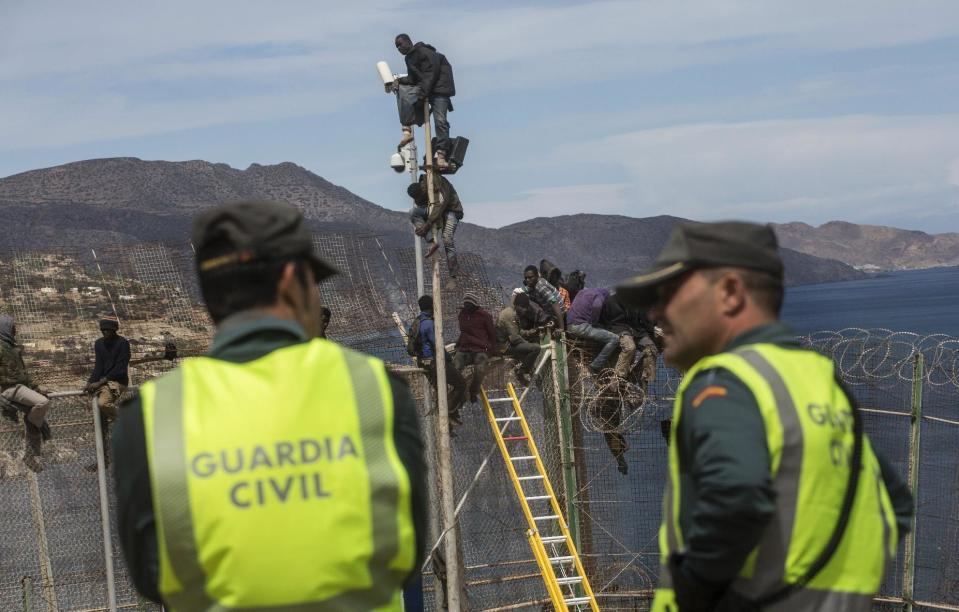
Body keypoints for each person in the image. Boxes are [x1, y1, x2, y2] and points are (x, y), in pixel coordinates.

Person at [112, 201, 426, 610]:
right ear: (292, 281)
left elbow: (150, 577)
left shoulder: (150, 418)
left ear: (212, 294)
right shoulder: (373, 390)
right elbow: (408, 554)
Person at [616, 221, 914, 611]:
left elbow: (736, 502)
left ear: (729, 293)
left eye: (669, 294)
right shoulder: (818, 378)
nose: (655, 311)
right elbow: (894, 506)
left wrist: (700, 594)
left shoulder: (724, 380)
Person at [395, 33, 456, 170]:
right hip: (427, 88)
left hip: (439, 89)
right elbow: (413, 79)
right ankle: (407, 130)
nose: (399, 48)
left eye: (400, 44)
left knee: (440, 121)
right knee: (402, 91)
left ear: (408, 41)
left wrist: (421, 96)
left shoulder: (425, 52)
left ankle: (441, 154)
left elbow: (431, 75)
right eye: (397, 46)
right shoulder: (409, 59)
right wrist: (398, 81)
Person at [0, 314, 51, 473]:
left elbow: (24, 375)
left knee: (36, 419)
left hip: (19, 387)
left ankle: (30, 455)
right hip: (9, 389)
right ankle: (30, 422)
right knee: (41, 404)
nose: (15, 330)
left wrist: (36, 388)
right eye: (12, 327)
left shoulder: (11, 348)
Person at [410, 294, 467, 425]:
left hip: (423, 362)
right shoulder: (430, 324)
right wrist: (448, 359)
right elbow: (438, 345)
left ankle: (448, 418)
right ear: (431, 306)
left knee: (441, 390)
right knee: (461, 384)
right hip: (434, 362)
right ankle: (448, 412)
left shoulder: (417, 322)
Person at [84, 316, 131, 469]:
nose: (105, 332)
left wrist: (101, 381)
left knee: (103, 402)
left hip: (117, 381)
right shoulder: (99, 344)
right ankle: (103, 459)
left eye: (108, 330)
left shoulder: (123, 344)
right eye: (103, 330)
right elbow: (98, 366)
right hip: (104, 381)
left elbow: (120, 369)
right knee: (99, 419)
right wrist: (90, 382)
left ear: (114, 330)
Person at [408, 172, 463, 277]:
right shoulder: (420, 193)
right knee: (413, 213)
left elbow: (440, 206)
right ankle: (431, 243)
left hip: (451, 210)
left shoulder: (436, 183)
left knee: (447, 239)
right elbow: (424, 206)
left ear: (422, 190)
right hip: (434, 210)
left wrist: (426, 225)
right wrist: (422, 227)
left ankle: (453, 273)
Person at [453, 293, 496, 404]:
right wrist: (458, 346)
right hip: (465, 348)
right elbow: (463, 333)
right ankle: (459, 390)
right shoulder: (462, 315)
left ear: (475, 305)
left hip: (480, 349)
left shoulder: (484, 316)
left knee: (480, 368)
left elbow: (492, 333)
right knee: (455, 366)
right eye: (465, 304)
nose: (467, 306)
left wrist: (492, 350)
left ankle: (473, 391)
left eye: (469, 304)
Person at [566, 287, 619, 375]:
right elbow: (597, 306)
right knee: (614, 339)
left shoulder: (584, 291)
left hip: (570, 325)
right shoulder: (600, 295)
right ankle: (595, 366)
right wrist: (594, 322)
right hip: (580, 327)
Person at [496, 293, 542, 385]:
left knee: (529, 351)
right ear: (517, 305)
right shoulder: (509, 315)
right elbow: (515, 338)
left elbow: (518, 331)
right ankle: (521, 372)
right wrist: (527, 344)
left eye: (526, 308)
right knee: (536, 348)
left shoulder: (514, 313)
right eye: (523, 307)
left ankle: (527, 373)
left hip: (507, 344)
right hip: (503, 347)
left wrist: (529, 332)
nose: (525, 310)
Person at [522, 265, 566, 330]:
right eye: (526, 278)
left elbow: (554, 303)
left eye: (530, 277)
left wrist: (561, 328)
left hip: (558, 314)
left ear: (537, 276)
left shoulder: (540, 286)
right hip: (550, 312)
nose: (528, 280)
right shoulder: (532, 286)